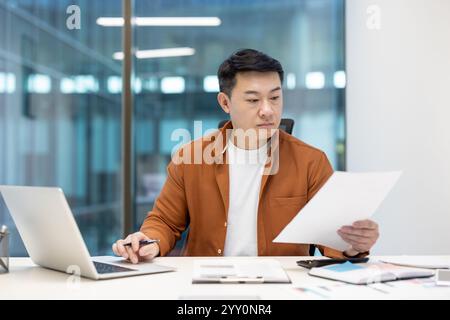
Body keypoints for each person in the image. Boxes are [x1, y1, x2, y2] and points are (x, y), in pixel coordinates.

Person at [112, 49, 379, 264]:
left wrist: (354, 245)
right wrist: (148, 242)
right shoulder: (190, 157)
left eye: (275, 98)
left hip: (283, 288)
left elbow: (331, 239)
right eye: (253, 100)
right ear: (225, 103)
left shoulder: (311, 161)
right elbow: (165, 222)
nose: (267, 110)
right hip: (206, 285)